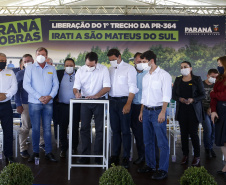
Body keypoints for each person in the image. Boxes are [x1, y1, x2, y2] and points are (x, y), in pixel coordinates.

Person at [138, 50, 171, 180]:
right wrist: (141, 111)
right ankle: (150, 165)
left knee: (162, 142)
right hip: (146, 111)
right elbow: (144, 96)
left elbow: (166, 95)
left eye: (144, 62)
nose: (142, 64)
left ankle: (163, 169)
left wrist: (163, 112)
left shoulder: (164, 75)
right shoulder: (146, 76)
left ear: (152, 61)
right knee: (148, 141)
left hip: (158, 111)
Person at [73, 52, 110, 164]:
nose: (89, 67)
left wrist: (97, 95)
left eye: (92, 66)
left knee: (99, 129)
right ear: (85, 61)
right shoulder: (80, 70)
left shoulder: (103, 69)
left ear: (96, 62)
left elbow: (107, 86)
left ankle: (99, 156)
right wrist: (77, 93)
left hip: (99, 101)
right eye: (88, 65)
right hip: (85, 101)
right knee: (84, 128)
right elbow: (76, 87)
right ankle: (85, 156)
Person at [23, 47, 59, 162]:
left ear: (46, 56)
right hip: (34, 103)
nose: (41, 56)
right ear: (35, 55)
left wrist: (50, 96)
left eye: (43, 54)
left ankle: (48, 152)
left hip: (49, 103)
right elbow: (26, 85)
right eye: (39, 54)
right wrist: (39, 97)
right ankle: (35, 152)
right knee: (36, 129)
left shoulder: (52, 69)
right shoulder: (30, 68)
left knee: (48, 129)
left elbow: (56, 85)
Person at [108, 48, 138, 169]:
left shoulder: (129, 68)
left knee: (125, 131)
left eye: (114, 59)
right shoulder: (109, 69)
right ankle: (115, 155)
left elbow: (133, 86)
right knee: (115, 130)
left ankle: (126, 156)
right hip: (112, 101)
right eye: (110, 60)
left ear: (119, 57)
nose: (112, 62)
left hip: (124, 101)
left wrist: (128, 103)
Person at [172, 61, 205, 167]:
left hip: (193, 110)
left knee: (194, 133)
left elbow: (202, 95)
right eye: (181, 67)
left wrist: (193, 99)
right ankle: (185, 155)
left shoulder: (197, 79)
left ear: (190, 68)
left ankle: (197, 156)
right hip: (182, 110)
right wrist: (180, 99)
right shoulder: (177, 80)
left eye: (185, 67)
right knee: (184, 134)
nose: (183, 68)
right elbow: (173, 95)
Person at [15, 54, 45, 158]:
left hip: (38, 103)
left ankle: (42, 143)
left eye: (29, 60)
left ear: (33, 61)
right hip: (25, 104)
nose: (27, 63)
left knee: (41, 126)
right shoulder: (20, 74)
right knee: (25, 127)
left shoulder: (39, 72)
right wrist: (18, 104)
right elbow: (16, 91)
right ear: (23, 63)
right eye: (25, 61)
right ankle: (23, 148)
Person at [54, 58, 81, 158]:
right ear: (64, 66)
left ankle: (74, 147)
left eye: (71, 65)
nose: (69, 67)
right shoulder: (58, 74)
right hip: (62, 105)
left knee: (75, 127)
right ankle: (63, 148)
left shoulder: (79, 74)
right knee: (63, 127)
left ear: (74, 66)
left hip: (76, 105)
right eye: (67, 65)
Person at [0, 53, 17, 163]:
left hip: (5, 105)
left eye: (4, 60)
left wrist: (6, 95)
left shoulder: (10, 73)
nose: (3, 62)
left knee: (8, 131)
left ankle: (8, 155)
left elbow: (14, 87)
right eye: (1, 60)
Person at [130, 52, 147, 165]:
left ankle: (147, 157)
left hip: (144, 106)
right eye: (138, 62)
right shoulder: (130, 72)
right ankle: (141, 155)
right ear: (134, 62)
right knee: (136, 133)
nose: (140, 63)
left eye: (142, 62)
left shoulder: (147, 74)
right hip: (131, 106)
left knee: (144, 134)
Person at [210, 56, 226, 178]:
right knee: (221, 141)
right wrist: (214, 111)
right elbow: (214, 98)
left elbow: (223, 96)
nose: (218, 66)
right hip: (219, 111)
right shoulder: (219, 79)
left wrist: (213, 94)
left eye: (220, 64)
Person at [202, 69, 218, 158]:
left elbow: (217, 98)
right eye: (212, 77)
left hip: (213, 110)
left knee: (213, 130)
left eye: (216, 77)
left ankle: (210, 147)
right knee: (208, 129)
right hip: (202, 110)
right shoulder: (201, 84)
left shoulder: (217, 85)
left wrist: (211, 108)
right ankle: (207, 149)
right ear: (208, 76)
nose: (214, 78)